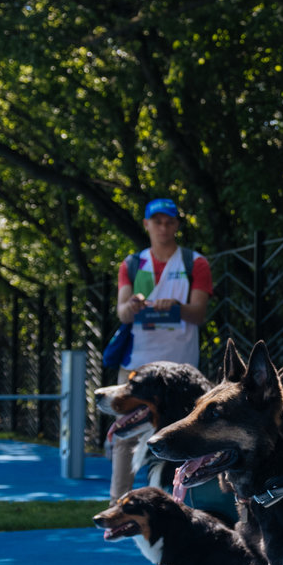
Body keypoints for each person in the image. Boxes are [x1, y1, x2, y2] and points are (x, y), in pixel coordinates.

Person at [109, 198, 213, 500]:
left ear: (177, 225)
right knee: (125, 434)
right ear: (147, 225)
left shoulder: (195, 263)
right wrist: (132, 305)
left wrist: (178, 308)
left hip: (180, 368)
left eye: (169, 221)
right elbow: (122, 313)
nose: (163, 227)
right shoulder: (131, 264)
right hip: (136, 365)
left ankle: (177, 501)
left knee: (184, 433)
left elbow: (199, 313)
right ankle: (120, 502)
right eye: (157, 221)